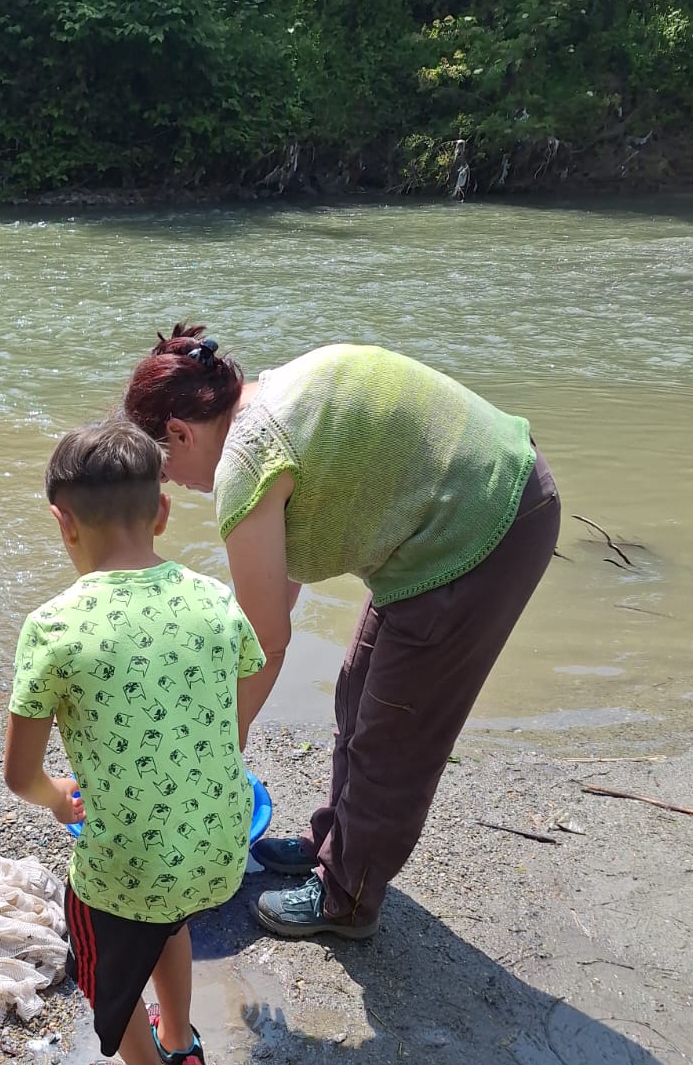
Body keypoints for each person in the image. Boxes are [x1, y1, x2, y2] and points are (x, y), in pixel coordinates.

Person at [123, 324, 562, 941]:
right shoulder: (265, 400)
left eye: (165, 468)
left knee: (394, 734)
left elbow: (266, 641)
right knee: (358, 693)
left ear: (179, 432)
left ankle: (346, 900)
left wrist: (222, 742)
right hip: (451, 513)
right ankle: (331, 843)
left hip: (486, 524)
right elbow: (274, 598)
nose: (171, 483)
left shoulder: (246, 461)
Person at [4, 420, 265, 1065]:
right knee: (167, 918)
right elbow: (236, 695)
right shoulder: (215, 600)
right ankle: (180, 1044)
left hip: (132, 864)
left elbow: (20, 775)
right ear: (162, 512)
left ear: (62, 522)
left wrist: (59, 798)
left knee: (102, 971)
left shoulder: (54, 626)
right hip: (218, 848)